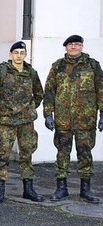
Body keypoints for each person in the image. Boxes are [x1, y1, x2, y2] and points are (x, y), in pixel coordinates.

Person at [44, 35, 103, 204]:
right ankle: (61, 188)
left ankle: (86, 189)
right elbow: (49, 91)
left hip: (86, 119)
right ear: (66, 47)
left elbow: (101, 90)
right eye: (71, 44)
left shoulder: (93, 66)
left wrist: (102, 114)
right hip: (63, 120)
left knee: (85, 154)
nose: (74, 47)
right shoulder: (58, 67)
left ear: (82, 46)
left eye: (77, 44)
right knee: (62, 154)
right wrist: (48, 114)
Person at [0, 41, 44, 203]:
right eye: (16, 53)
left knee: (27, 155)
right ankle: (0, 191)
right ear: (10, 54)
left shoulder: (31, 73)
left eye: (22, 53)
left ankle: (28, 189)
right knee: (2, 155)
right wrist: (2, 110)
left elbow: (39, 94)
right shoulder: (2, 71)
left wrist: (29, 109)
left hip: (26, 122)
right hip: (6, 122)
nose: (19, 56)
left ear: (25, 54)